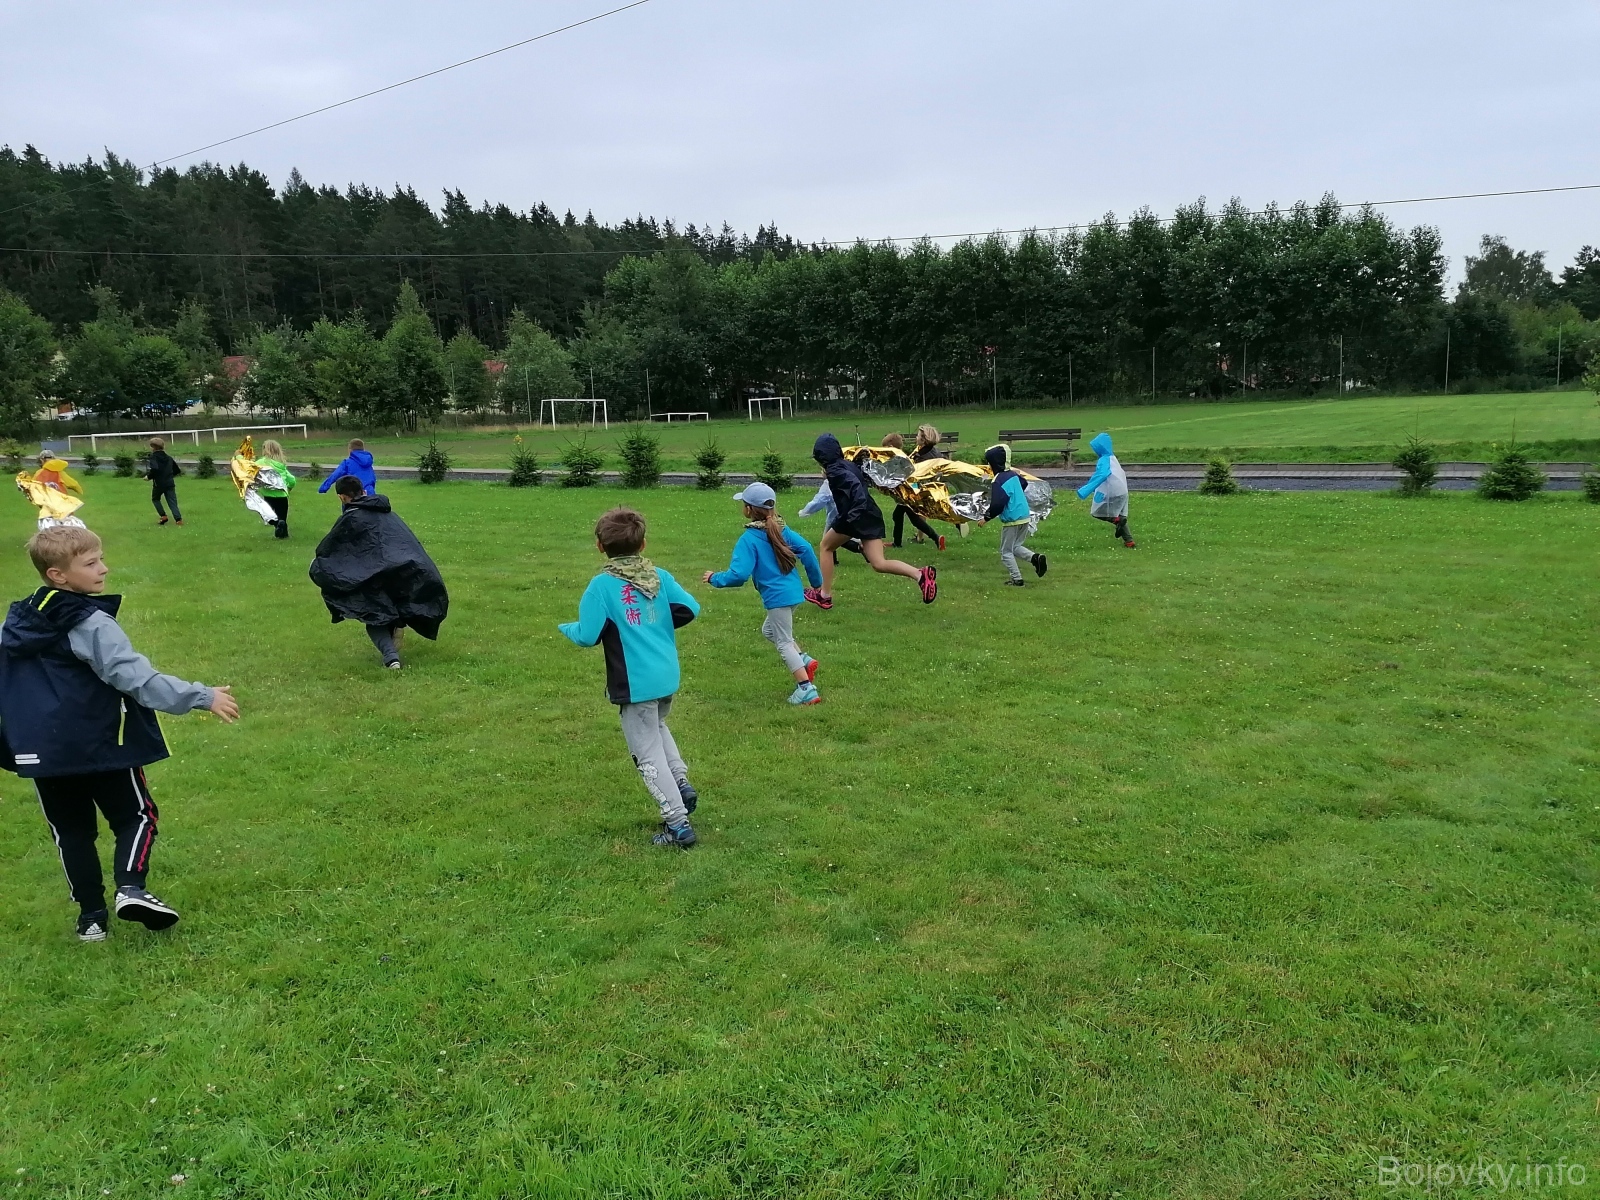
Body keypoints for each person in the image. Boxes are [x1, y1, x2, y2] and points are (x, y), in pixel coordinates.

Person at [0, 525, 240, 942]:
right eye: (91, 563)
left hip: (43, 752)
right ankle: (131, 889)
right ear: (57, 575)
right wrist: (202, 696)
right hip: (101, 742)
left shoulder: (13, 624)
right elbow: (135, 678)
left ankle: (91, 919)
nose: (104, 569)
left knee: (71, 832)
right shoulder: (90, 622)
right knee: (137, 816)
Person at [559, 507, 703, 849]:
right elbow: (690, 608)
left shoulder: (601, 587)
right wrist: (656, 626)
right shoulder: (659, 576)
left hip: (636, 684)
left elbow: (587, 634)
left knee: (645, 753)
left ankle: (678, 824)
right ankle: (680, 783)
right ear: (643, 543)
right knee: (658, 726)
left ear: (600, 546)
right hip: (665, 674)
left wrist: (567, 628)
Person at [703, 482, 824, 706]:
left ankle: (806, 689)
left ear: (749, 509)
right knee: (769, 631)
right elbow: (807, 549)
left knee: (783, 643)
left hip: (778, 598)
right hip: (793, 594)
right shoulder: (782, 529)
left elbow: (738, 575)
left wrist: (714, 578)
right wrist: (816, 582)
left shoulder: (749, 539)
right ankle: (803, 660)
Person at [310, 476, 449, 669]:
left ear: (342, 497)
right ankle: (396, 625)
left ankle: (391, 657)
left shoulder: (351, 518)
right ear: (363, 491)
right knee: (386, 605)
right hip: (404, 570)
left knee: (373, 613)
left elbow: (331, 551)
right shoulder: (388, 514)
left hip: (378, 575)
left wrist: (319, 567)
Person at [806, 433, 936, 610]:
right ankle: (920, 575)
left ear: (822, 457)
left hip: (855, 517)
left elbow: (855, 488)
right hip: (870, 515)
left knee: (826, 547)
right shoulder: (846, 465)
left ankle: (824, 596)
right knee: (879, 563)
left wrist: (850, 519)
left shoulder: (836, 471)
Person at [978, 443, 1047, 586]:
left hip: (1012, 519)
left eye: (989, 463)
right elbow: (1024, 483)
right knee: (1015, 546)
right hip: (1024, 516)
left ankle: (1017, 579)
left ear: (995, 463)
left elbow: (998, 504)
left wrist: (986, 517)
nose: (989, 466)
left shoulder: (998, 480)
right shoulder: (1013, 475)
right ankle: (1035, 558)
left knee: (1006, 552)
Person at [888, 427, 948, 551]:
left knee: (911, 518)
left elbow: (913, 471)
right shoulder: (934, 452)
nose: (916, 438)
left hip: (914, 490)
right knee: (900, 515)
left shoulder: (922, 455)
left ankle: (936, 538)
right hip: (921, 489)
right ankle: (897, 543)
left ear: (924, 439)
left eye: (918, 436)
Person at [1076, 432, 1135, 548]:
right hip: (1122, 490)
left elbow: (1102, 474)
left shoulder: (1104, 460)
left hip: (1112, 491)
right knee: (1121, 515)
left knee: (1097, 512)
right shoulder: (1113, 458)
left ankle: (1116, 520)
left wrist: (1085, 490)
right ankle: (1129, 541)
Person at [797, 479, 863, 563]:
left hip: (836, 517)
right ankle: (836, 559)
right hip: (852, 514)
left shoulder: (829, 483)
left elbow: (820, 500)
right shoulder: (848, 478)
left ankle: (860, 547)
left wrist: (804, 512)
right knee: (837, 538)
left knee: (827, 542)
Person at [256, 439, 297, 539]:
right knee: (282, 517)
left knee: (267, 515)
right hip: (282, 496)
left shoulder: (261, 462)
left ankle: (277, 524)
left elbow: (251, 470)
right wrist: (289, 488)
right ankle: (284, 535)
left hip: (268, 495)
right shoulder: (281, 465)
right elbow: (292, 480)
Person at [144, 438, 183, 526]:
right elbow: (177, 470)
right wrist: (169, 476)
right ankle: (178, 520)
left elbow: (155, 469)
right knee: (172, 502)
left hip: (159, 484)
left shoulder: (153, 457)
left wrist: (148, 477)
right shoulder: (169, 458)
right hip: (170, 483)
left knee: (155, 499)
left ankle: (163, 516)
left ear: (153, 447)